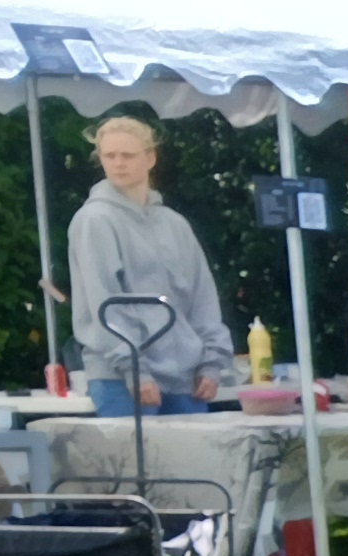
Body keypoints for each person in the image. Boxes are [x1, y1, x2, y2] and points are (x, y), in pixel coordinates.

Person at [65, 115, 229, 419]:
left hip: (185, 378)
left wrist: (211, 362)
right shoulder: (94, 220)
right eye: (109, 156)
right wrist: (134, 369)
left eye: (127, 155)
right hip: (119, 379)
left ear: (150, 158)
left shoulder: (176, 224)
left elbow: (203, 298)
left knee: (192, 454)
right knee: (135, 454)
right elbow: (104, 302)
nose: (118, 163)